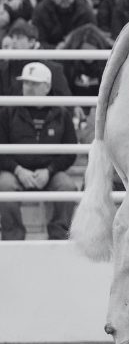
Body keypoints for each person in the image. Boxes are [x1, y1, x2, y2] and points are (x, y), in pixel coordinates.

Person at [0, 62, 78, 240]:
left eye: (35, 84)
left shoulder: (62, 114)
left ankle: (60, 237)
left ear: (48, 86)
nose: (29, 88)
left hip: (49, 172)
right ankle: (13, 238)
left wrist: (49, 171)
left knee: (67, 187)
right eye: (26, 83)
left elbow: (70, 152)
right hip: (15, 171)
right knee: (4, 187)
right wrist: (18, 170)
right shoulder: (7, 112)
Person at [61, 24, 112, 145]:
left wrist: (100, 106)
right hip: (73, 109)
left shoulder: (109, 59)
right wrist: (72, 105)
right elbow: (62, 89)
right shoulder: (67, 62)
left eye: (92, 52)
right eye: (85, 51)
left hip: (100, 109)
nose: (89, 56)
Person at [0, 21, 71, 97]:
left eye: (18, 38)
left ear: (32, 42)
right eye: (12, 38)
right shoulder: (3, 68)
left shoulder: (52, 68)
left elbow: (65, 102)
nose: (13, 41)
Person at [32, 0, 96, 48]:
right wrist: (55, 49)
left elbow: (93, 38)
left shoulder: (84, 9)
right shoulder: (40, 11)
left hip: (79, 56)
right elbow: (38, 41)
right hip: (50, 56)